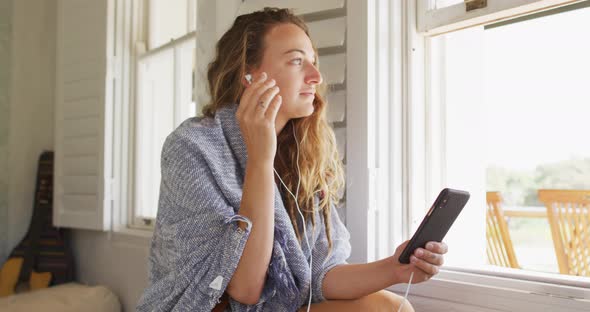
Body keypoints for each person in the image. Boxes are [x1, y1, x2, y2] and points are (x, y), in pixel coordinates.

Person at [136, 7, 447, 312]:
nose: (315, 76)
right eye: (297, 61)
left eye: (313, 62)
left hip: (277, 307)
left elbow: (318, 275)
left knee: (392, 308)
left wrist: (394, 268)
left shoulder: (303, 151)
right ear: (250, 75)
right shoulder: (191, 148)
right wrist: (259, 159)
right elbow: (244, 290)